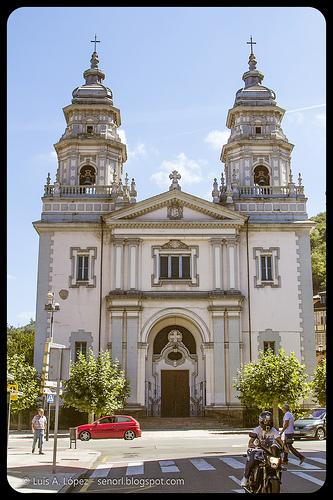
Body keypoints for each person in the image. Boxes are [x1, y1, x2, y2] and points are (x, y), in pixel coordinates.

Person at [240, 410, 284, 488]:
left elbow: (278, 439)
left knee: (277, 462)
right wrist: (251, 444)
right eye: (265, 421)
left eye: (269, 421)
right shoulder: (257, 429)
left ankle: (275, 476)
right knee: (252, 459)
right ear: (261, 421)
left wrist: (284, 447)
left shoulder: (274, 430)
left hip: (269, 451)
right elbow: (251, 441)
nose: (267, 423)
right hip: (258, 450)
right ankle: (245, 478)